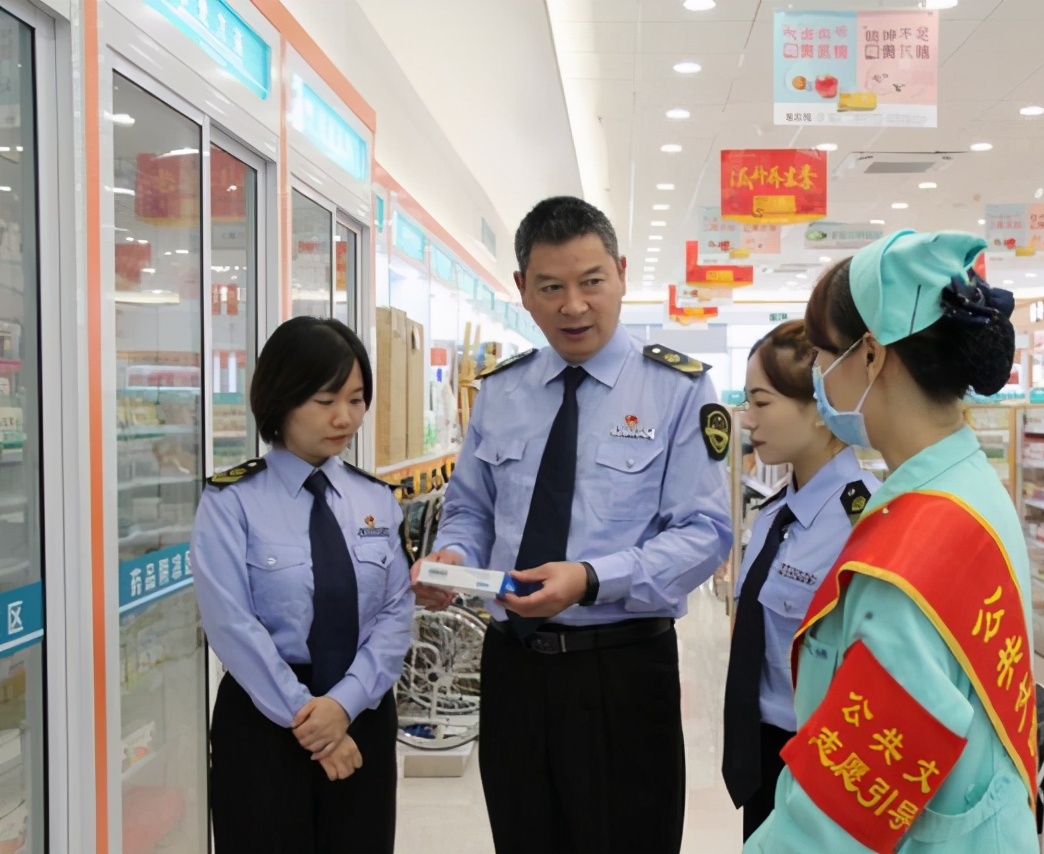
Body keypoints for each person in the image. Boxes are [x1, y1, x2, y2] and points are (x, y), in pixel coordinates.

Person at [414, 195, 732, 854]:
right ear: (522, 291)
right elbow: (472, 505)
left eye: (591, 282)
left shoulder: (676, 390)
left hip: (621, 668)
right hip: (513, 668)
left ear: (619, 273)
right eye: (551, 287)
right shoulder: (501, 392)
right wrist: (450, 556)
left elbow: (705, 532)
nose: (574, 306)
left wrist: (591, 579)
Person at [746, 230, 1039, 854]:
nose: (818, 375)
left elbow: (840, 822)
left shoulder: (909, 560)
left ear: (872, 356)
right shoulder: (964, 480)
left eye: (823, 354)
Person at [191, 317, 415, 854]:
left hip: (361, 711)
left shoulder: (377, 501)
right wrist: (309, 719)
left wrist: (343, 707)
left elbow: (395, 613)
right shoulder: (231, 502)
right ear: (282, 398)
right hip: (265, 720)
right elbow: (231, 624)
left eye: (357, 399)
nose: (345, 417)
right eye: (324, 400)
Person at [723, 319, 879, 840]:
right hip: (765, 755)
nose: (747, 420)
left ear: (819, 406)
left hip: (823, 763)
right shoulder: (774, 514)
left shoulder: (867, 523)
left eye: (762, 403)